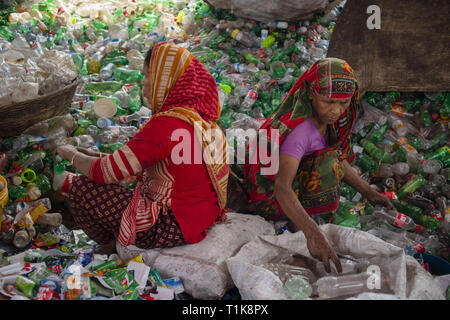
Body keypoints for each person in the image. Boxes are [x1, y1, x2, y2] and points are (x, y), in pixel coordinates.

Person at [55, 42, 229, 254]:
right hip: (200, 215)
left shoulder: (167, 124)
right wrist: (95, 156)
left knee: (82, 189)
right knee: (127, 181)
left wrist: (69, 153)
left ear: (166, 81)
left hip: (172, 224)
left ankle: (115, 243)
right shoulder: (201, 120)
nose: (143, 82)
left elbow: (104, 173)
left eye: (148, 75)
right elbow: (144, 161)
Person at [230, 58, 393, 273]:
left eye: (343, 103)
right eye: (329, 102)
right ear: (311, 94)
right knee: (328, 162)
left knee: (331, 159)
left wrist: (370, 193)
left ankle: (304, 217)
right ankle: (297, 219)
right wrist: (312, 233)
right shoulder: (300, 132)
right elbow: (282, 187)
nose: (336, 111)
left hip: (291, 176)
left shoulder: (328, 122)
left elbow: (338, 158)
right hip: (269, 195)